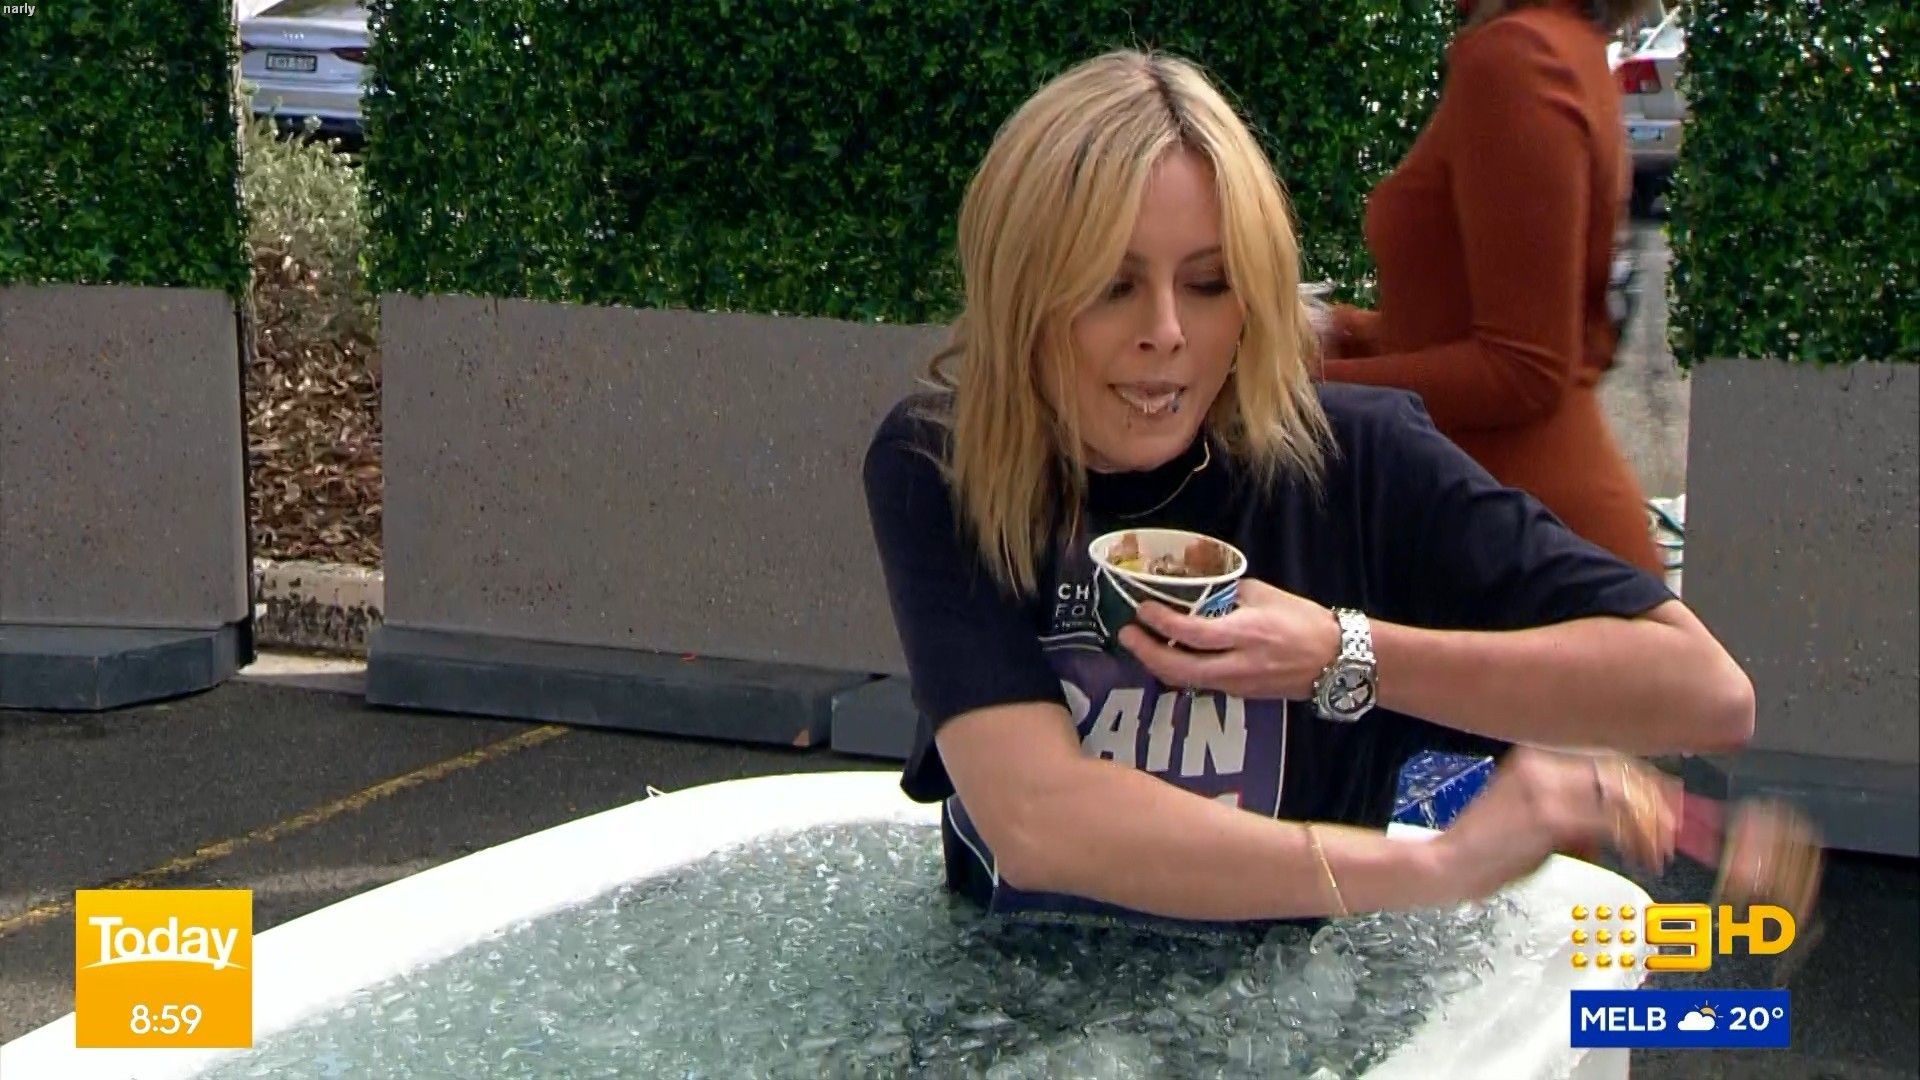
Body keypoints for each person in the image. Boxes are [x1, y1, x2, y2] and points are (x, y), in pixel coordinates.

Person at [861, 48, 1753, 928]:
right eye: (1111, 286)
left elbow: (1704, 693)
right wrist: (1438, 868)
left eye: (1209, 283)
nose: (1166, 331)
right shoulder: (946, 464)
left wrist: (1343, 654)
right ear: (1021, 294)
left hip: (1298, 1003)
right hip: (1014, 999)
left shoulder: (1352, 460)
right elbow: (1036, 823)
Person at [1318, 0, 1665, 574]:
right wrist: (1348, 330)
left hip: (1532, 549)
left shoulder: (1518, 60)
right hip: (1512, 529)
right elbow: (1500, 319)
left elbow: (1522, 369)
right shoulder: (1561, 43)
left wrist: (1299, 389)